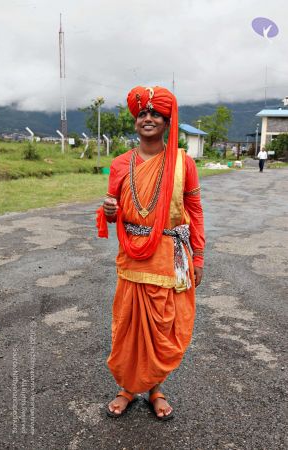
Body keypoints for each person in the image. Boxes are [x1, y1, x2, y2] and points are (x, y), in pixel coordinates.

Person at [96, 85, 205, 420]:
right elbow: (111, 211)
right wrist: (109, 212)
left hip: (170, 257)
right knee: (128, 325)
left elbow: (195, 210)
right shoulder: (119, 164)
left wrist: (198, 257)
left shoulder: (183, 164)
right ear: (135, 122)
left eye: (155, 113)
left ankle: (155, 388)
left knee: (163, 329)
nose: (148, 118)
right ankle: (128, 388)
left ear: (167, 121)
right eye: (142, 113)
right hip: (132, 258)